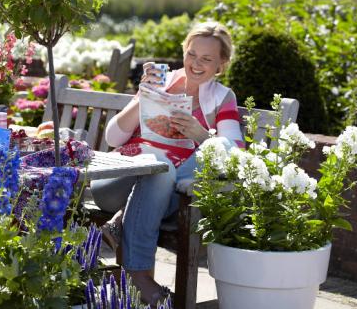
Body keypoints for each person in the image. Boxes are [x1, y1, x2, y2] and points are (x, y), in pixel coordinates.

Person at [90, 21, 244, 306]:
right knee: (158, 165)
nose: (196, 64)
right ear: (184, 52)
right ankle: (137, 272)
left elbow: (234, 153)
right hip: (116, 180)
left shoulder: (223, 99)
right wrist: (143, 97)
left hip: (167, 195)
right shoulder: (159, 80)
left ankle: (126, 240)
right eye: (191, 54)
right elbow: (112, 135)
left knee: (181, 164)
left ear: (221, 65)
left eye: (207, 59)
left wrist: (200, 134)